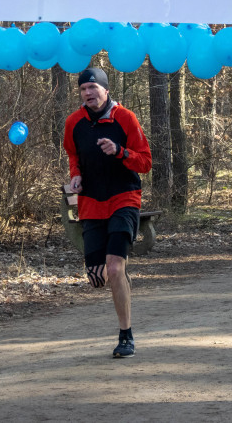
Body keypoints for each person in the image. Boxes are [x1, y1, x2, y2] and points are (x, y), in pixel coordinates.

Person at [63, 67, 152, 358]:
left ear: (106, 89)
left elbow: (145, 162)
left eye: (93, 88)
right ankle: (120, 277)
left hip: (124, 198)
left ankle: (126, 336)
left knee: (114, 268)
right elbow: (73, 155)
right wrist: (75, 175)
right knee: (97, 278)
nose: (88, 93)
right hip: (91, 202)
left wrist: (120, 152)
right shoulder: (74, 123)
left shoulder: (125, 118)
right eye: (83, 89)